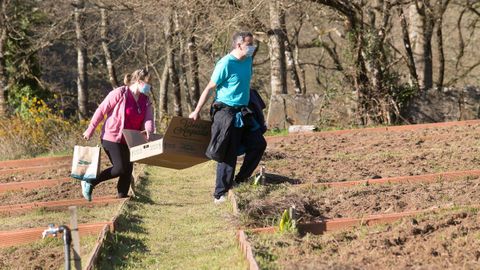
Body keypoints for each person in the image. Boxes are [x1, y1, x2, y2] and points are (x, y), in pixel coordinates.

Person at [189, 31, 267, 204]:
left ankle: (240, 180)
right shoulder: (225, 63)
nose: (252, 47)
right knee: (228, 151)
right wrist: (196, 110)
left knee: (258, 144)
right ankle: (220, 193)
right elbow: (210, 87)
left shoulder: (248, 60)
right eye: (249, 44)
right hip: (225, 111)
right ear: (238, 45)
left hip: (243, 110)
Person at [81, 68, 155, 201]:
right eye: (147, 82)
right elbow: (101, 110)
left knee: (128, 169)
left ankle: (122, 196)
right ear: (139, 81)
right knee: (120, 168)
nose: (149, 86)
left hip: (131, 138)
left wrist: (149, 131)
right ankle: (90, 181)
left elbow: (149, 118)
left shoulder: (145, 100)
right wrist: (90, 129)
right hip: (112, 136)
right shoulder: (120, 93)